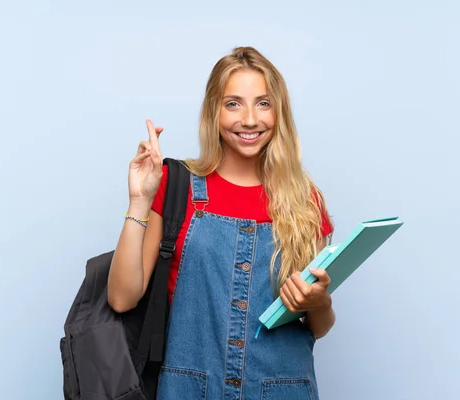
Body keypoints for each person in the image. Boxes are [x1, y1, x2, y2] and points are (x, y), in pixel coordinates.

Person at [108, 46, 335, 400]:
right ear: (213, 112)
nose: (249, 119)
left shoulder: (306, 201)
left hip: (282, 389)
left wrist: (319, 303)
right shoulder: (175, 185)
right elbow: (122, 299)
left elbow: (317, 328)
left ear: (279, 113)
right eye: (233, 104)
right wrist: (139, 199)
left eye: (263, 103)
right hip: (189, 389)